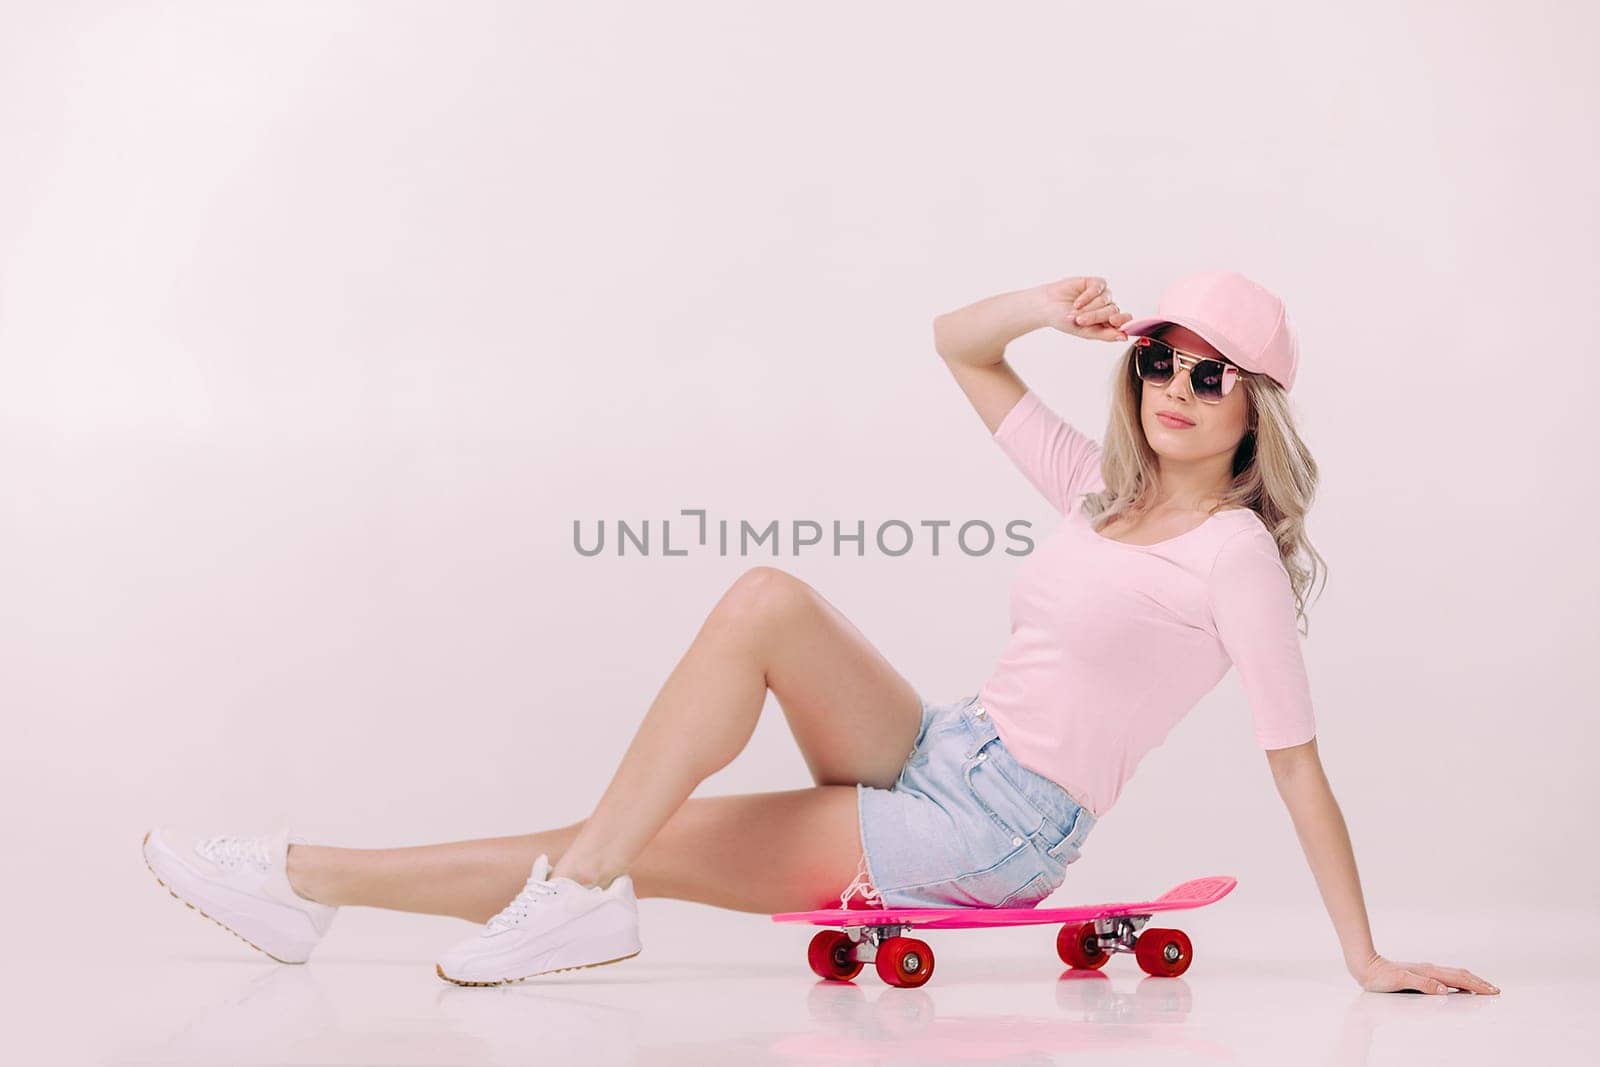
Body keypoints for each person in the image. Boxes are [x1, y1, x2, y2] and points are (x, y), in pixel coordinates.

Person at [141, 270, 1499, 996]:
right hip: (942, 753)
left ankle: (306, 877)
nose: (1178, 390)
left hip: (991, 832)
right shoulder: (1101, 495)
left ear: (1257, 409)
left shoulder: (1232, 555)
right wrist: (1045, 306)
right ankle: (557, 896)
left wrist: (1365, 958)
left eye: (1213, 376)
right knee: (767, 599)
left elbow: (1297, 767)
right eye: (1159, 362)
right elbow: (956, 345)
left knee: (632, 847)